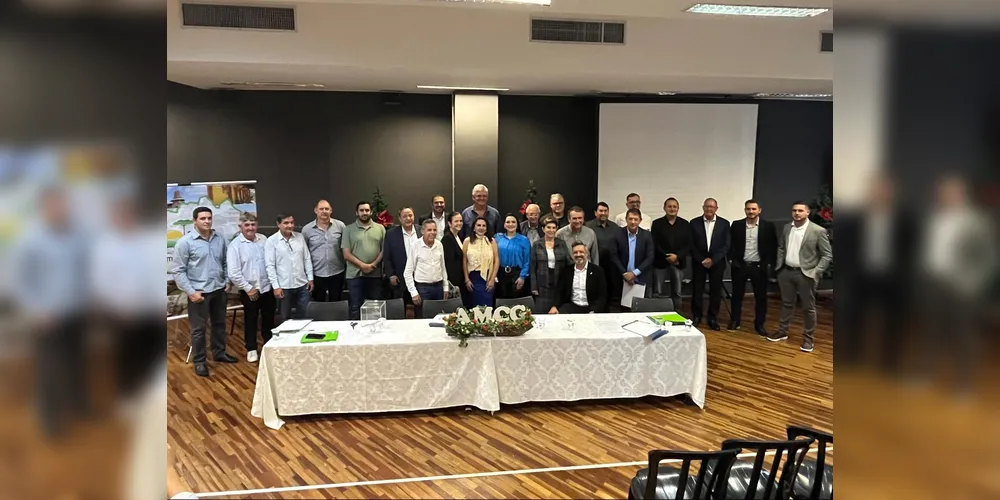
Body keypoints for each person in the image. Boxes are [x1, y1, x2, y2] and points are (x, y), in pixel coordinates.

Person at [15, 185, 93, 433]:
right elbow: (20, 281)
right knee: (49, 371)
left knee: (77, 364)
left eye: (62, 204)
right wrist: (36, 309)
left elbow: (86, 269)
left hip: (76, 314)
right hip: (46, 319)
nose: (59, 209)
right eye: (54, 204)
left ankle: (79, 407)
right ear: (44, 207)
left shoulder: (77, 235)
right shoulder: (30, 239)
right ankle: (50, 421)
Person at [172, 206, 234, 378]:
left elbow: (225, 262)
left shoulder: (219, 239)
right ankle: (200, 361)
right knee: (198, 330)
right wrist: (191, 292)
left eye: (209, 218)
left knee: (219, 324)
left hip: (219, 290)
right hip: (199, 293)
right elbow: (178, 270)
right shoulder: (185, 243)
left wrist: (227, 280)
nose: (207, 221)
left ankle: (219, 353)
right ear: (194, 221)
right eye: (202, 218)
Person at [769, 201, 834, 352]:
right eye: (794, 210)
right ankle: (782, 331)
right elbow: (781, 247)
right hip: (786, 272)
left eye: (800, 211)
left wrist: (816, 271)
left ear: (807, 213)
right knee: (786, 303)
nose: (796, 213)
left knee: (808, 308)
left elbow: (827, 255)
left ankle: (808, 339)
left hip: (806, 274)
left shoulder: (818, 231)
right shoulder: (787, 227)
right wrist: (780, 266)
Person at [226, 213, 274, 363]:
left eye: (253, 224)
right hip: (250, 291)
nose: (250, 228)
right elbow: (233, 273)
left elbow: (270, 263)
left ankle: (269, 345)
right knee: (250, 320)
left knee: (268, 319)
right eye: (247, 225)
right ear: (241, 227)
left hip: (267, 288)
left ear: (256, 225)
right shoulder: (235, 246)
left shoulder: (264, 240)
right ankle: (251, 349)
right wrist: (248, 288)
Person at [728, 199, 777, 335]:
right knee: (737, 296)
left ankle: (759, 324)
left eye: (754, 209)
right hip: (740, 266)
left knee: (761, 297)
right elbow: (730, 244)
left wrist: (767, 264)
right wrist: (732, 260)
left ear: (759, 210)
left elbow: (773, 246)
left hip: (759, 267)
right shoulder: (736, 225)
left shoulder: (768, 226)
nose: (751, 211)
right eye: (748, 209)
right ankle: (735, 321)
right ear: (745, 210)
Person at [690, 198, 730, 330]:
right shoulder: (694, 223)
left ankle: (712, 318)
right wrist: (701, 259)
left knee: (715, 291)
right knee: (697, 290)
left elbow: (726, 245)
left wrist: (713, 259)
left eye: (712, 207)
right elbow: (691, 244)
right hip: (698, 262)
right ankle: (697, 316)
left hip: (717, 263)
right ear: (703, 208)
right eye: (707, 207)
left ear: (716, 208)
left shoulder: (724, 224)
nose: (709, 209)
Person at [342, 201, 386, 320]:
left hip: (375, 274)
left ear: (371, 212)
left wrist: (373, 265)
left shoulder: (380, 228)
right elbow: (346, 254)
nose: (364, 213)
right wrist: (363, 266)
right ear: (357, 213)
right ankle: (355, 333)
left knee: (374, 306)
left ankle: (374, 334)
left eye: (367, 210)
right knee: (355, 306)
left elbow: (384, 250)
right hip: (354, 275)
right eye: (361, 210)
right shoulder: (348, 229)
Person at [265, 213, 313, 321]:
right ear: (278, 224)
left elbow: (307, 258)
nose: (290, 225)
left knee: (305, 316)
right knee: (285, 318)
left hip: (302, 285)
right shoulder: (271, 241)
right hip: (284, 287)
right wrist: (276, 287)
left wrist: (310, 278)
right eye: (286, 223)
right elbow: (270, 266)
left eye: (292, 222)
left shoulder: (299, 237)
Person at [302, 199, 346, 302]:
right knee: (318, 303)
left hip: (337, 272)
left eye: (327, 209)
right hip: (317, 273)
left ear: (331, 211)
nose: (324, 211)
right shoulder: (307, 230)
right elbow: (304, 253)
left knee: (336, 302)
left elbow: (345, 248)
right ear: (316, 210)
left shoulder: (340, 226)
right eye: (321, 209)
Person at [650, 197, 691, 309]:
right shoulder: (657, 223)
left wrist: (677, 256)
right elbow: (654, 243)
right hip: (660, 262)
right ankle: (657, 313)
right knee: (657, 291)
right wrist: (666, 256)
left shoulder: (685, 224)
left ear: (678, 208)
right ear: (664, 208)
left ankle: (676, 313)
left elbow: (688, 244)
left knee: (677, 292)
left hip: (678, 262)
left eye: (674, 206)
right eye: (669, 206)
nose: (672, 209)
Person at [404, 219, 450, 318]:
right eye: (429, 230)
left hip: (438, 288)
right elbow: (407, 272)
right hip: (422, 289)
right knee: (422, 319)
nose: (432, 233)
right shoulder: (415, 246)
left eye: (434, 230)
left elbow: (443, 268)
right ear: (422, 231)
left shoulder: (439, 245)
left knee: (439, 318)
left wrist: (445, 287)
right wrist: (413, 292)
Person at [609, 209, 655, 307]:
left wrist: (635, 273)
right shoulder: (617, 234)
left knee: (641, 308)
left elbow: (650, 257)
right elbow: (614, 255)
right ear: (626, 219)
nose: (633, 222)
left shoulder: (647, 235)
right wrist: (625, 273)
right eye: (630, 219)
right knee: (623, 308)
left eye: (635, 219)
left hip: (641, 277)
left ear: (640, 220)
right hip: (622, 278)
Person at [550, 242, 608, 314]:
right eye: (575, 252)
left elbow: (602, 296)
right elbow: (559, 292)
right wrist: (554, 306)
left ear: (587, 254)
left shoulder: (598, 271)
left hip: (591, 308)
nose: (578, 255)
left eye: (581, 252)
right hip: (572, 306)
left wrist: (594, 310)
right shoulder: (566, 271)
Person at [530, 217, 572, 313]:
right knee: (541, 313)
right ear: (543, 229)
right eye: (548, 227)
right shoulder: (537, 244)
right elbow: (532, 267)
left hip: (558, 282)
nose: (551, 230)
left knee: (556, 312)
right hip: (542, 284)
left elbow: (568, 263)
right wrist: (534, 286)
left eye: (554, 228)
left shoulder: (561, 244)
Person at [383, 207, 419, 303]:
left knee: (420, 306)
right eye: (405, 216)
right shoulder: (391, 234)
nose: (408, 218)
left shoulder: (421, 231)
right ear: (400, 219)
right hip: (400, 277)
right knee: (400, 306)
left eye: (410, 215)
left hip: (420, 276)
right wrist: (391, 274)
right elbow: (387, 256)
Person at [463, 217, 500, 307]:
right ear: (474, 228)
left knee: (488, 307)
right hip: (474, 278)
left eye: (484, 226)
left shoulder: (492, 241)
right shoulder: (467, 241)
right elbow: (464, 261)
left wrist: (492, 279)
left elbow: (496, 261)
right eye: (478, 225)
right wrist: (466, 279)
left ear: (487, 228)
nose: (481, 227)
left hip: (488, 277)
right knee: (476, 307)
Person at [586, 201, 620, 302]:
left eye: (605, 211)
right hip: (596, 263)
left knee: (612, 291)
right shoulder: (588, 226)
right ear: (595, 212)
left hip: (612, 266)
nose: (603, 213)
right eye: (601, 211)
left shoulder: (614, 227)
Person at [494, 214, 531, 299]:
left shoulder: (524, 240)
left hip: (517, 274)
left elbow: (527, 261)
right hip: (500, 274)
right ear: (504, 224)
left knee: (516, 303)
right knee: (501, 302)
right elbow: (493, 257)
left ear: (517, 224)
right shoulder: (497, 238)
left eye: (513, 222)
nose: (510, 224)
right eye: (508, 222)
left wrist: (522, 277)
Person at [441, 211, 469, 305]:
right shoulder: (447, 239)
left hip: (460, 280)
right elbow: (449, 264)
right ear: (449, 223)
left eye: (461, 221)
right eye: (456, 221)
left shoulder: (459, 236)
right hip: (454, 282)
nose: (459, 223)